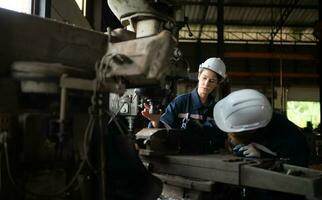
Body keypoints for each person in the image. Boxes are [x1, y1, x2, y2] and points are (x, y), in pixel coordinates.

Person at [141, 57, 227, 153]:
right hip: (181, 158)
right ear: (199, 75)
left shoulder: (217, 109)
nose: (206, 84)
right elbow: (164, 129)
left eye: (212, 81)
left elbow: (221, 138)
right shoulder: (181, 102)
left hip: (207, 160)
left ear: (218, 83)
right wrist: (156, 121)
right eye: (204, 78)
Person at [213, 89, 310, 167]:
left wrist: (263, 154)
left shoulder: (290, 139)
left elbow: (296, 165)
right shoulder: (261, 119)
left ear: (251, 129)